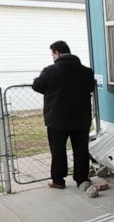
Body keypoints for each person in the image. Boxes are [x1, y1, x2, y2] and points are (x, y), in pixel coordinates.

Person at [32, 41, 96, 191]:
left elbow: (37, 86)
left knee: (58, 149)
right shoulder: (86, 71)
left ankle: (58, 180)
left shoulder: (51, 71)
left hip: (57, 119)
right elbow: (90, 87)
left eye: (52, 54)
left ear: (57, 53)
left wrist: (52, 91)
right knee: (81, 149)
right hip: (81, 118)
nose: (52, 57)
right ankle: (82, 179)